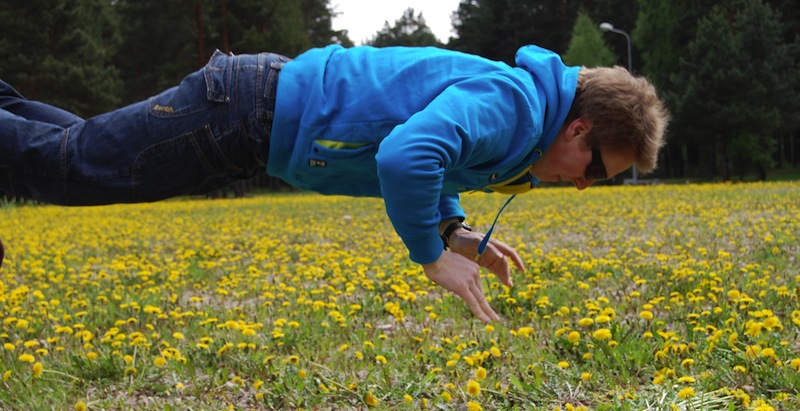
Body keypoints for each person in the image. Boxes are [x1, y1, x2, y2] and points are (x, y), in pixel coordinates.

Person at [1, 44, 669, 322]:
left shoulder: (521, 116)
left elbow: (441, 158)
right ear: (579, 129)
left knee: (76, 151)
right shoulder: (517, 106)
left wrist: (453, 230)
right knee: (76, 168)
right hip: (242, 114)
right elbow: (408, 155)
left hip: (249, 120)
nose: (586, 186)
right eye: (598, 171)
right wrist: (430, 259)